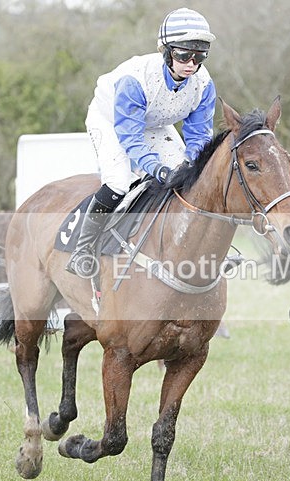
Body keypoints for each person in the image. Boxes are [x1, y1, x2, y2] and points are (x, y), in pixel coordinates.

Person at [67, 7, 217, 278]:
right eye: (183, 55)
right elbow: (131, 139)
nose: (191, 64)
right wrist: (156, 168)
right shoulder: (135, 80)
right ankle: (83, 249)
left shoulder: (204, 85)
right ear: (166, 51)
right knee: (118, 182)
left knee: (189, 180)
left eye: (199, 57)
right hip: (112, 121)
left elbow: (199, 136)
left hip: (155, 123)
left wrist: (189, 163)